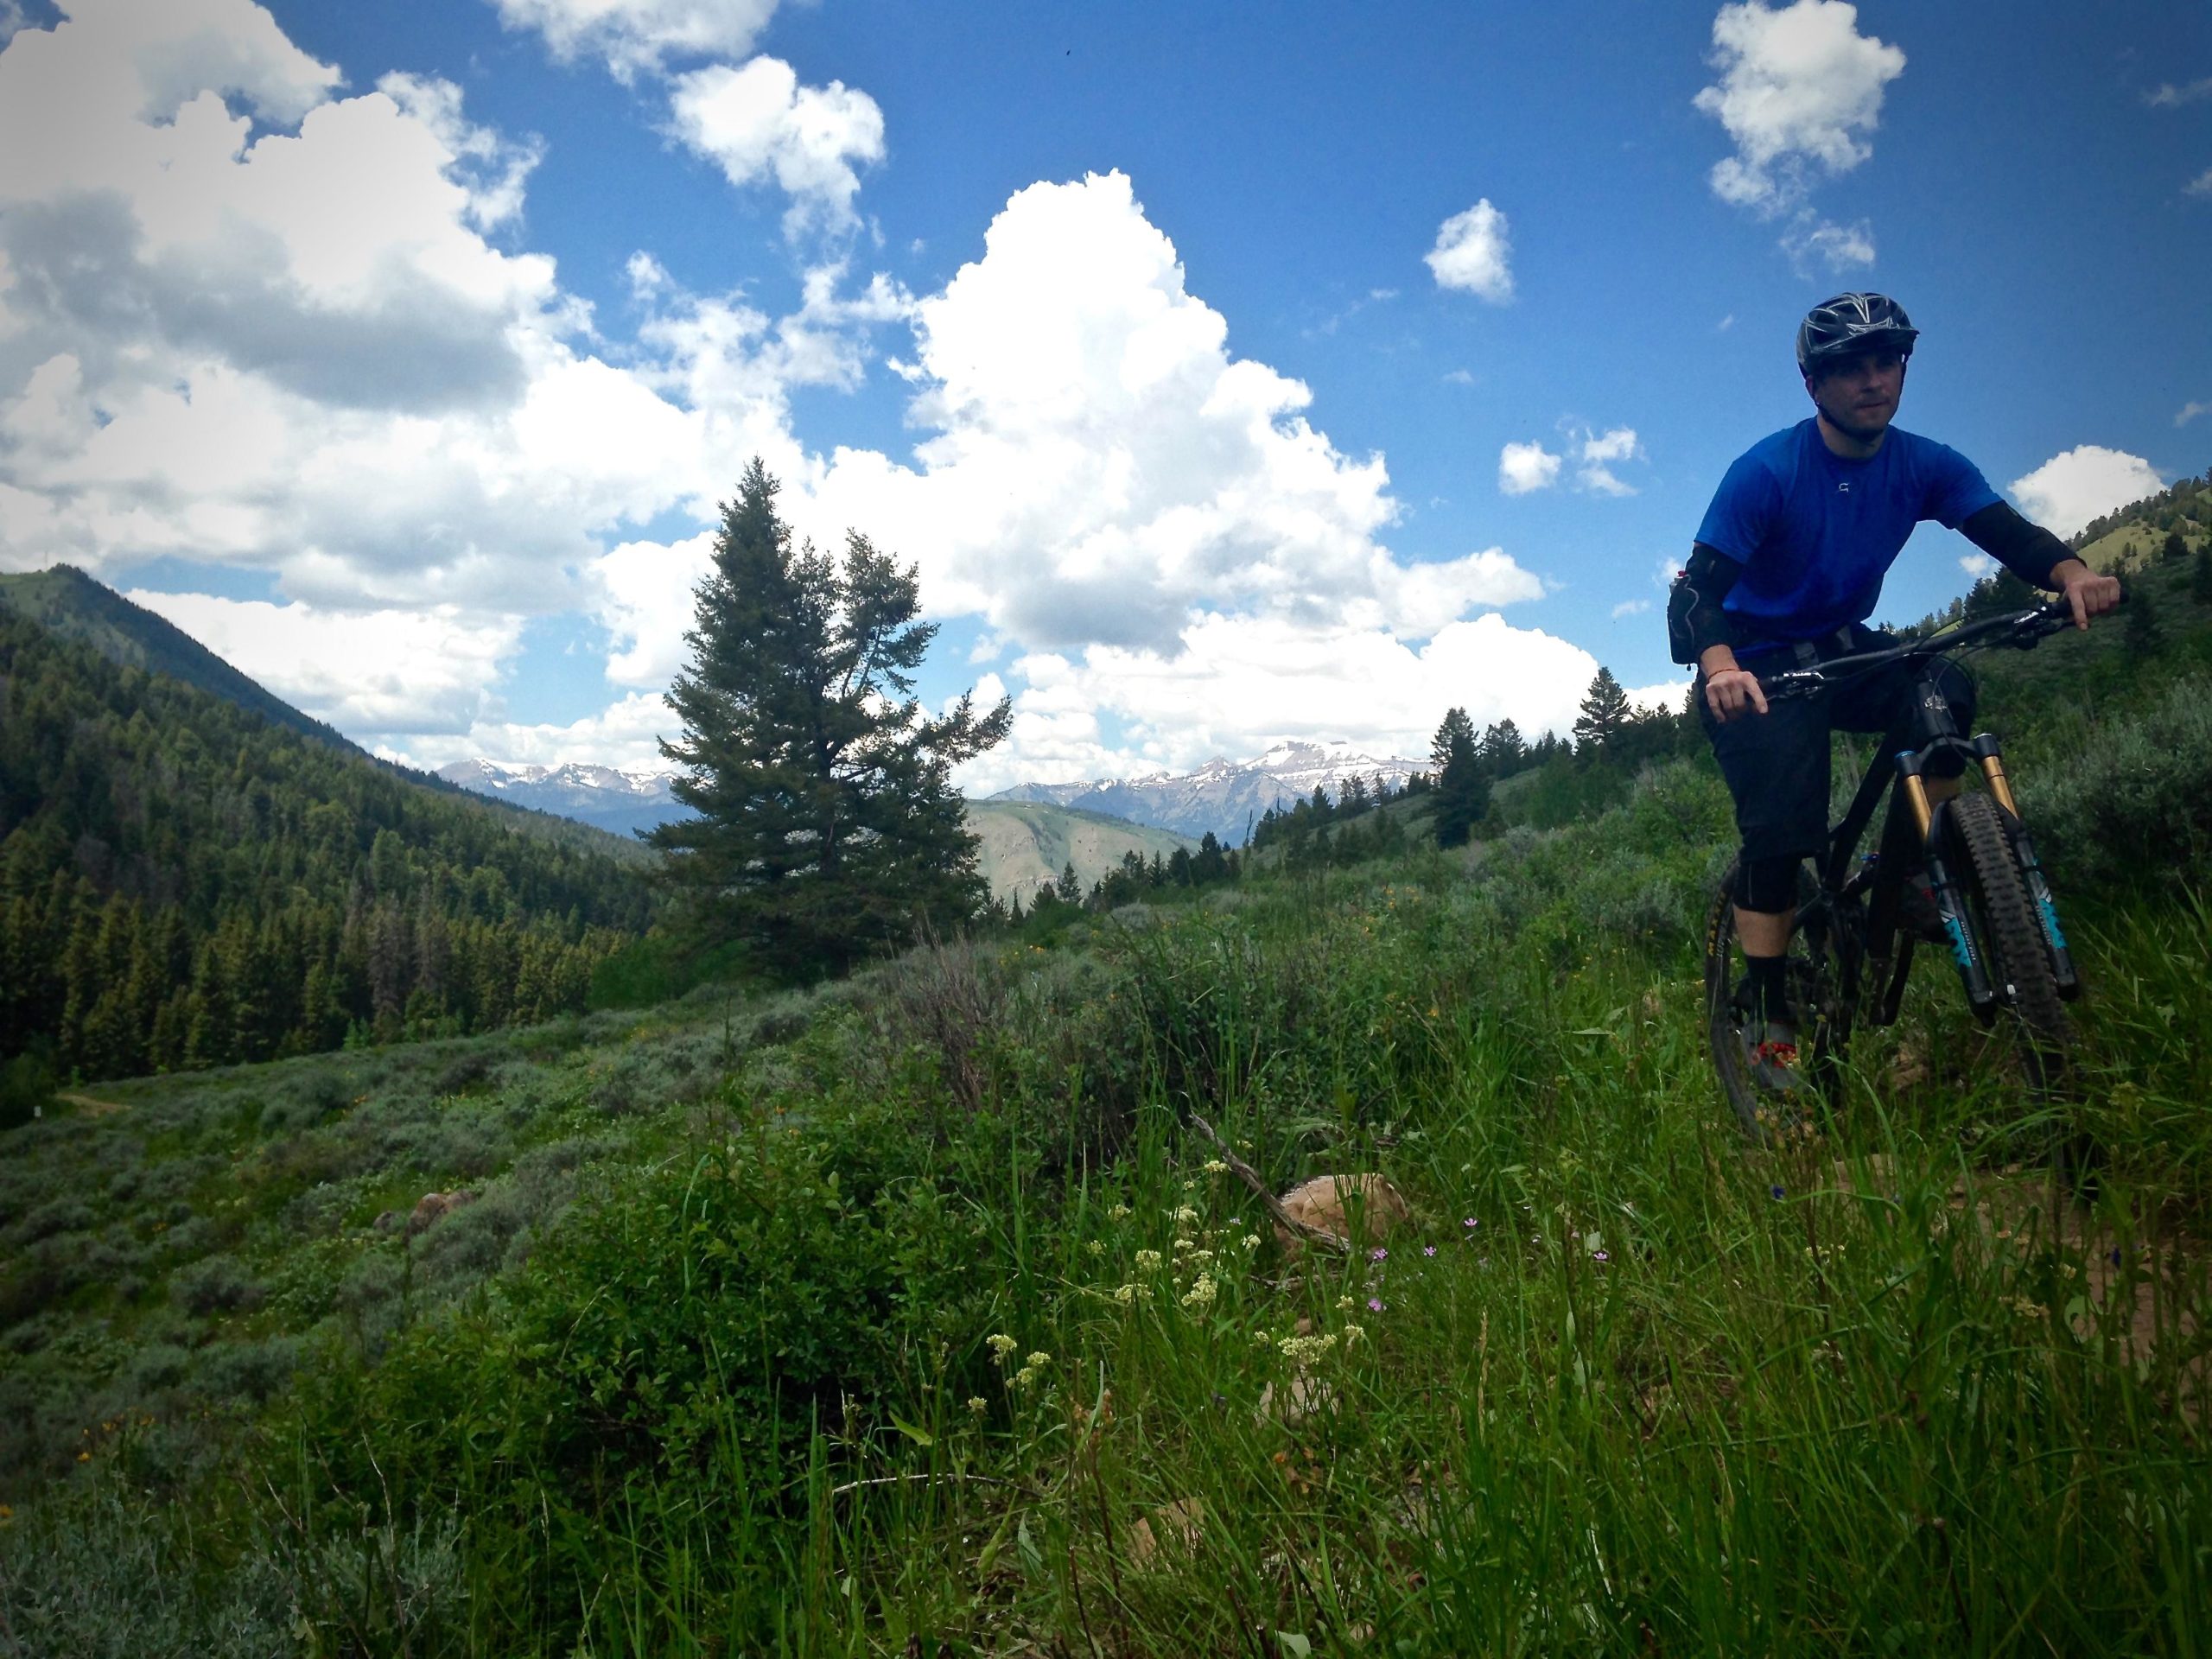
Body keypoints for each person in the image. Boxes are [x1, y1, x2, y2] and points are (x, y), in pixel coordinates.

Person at [1668, 292, 2120, 1093]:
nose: (1872, 381)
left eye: (1886, 362)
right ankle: (1771, 1022)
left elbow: (2007, 532)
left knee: (1944, 684)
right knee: (1781, 836)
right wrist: (1720, 667)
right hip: (1758, 665)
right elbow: (1696, 591)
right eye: (1849, 368)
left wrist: (2072, 574)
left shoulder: (1926, 464)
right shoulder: (1767, 471)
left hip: (1843, 643)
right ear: (1814, 386)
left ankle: (1913, 865)